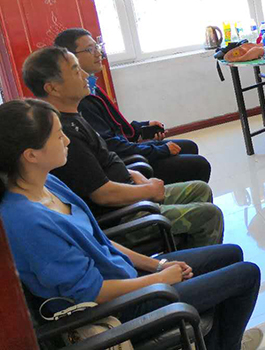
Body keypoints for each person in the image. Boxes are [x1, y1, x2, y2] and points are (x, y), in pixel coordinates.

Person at [0, 99, 263, 350]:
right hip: (117, 307)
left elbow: (99, 240)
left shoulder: (47, 183)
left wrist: (157, 265)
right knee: (247, 275)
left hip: (125, 276)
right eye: (59, 136)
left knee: (231, 254)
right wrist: (159, 280)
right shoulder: (26, 222)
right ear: (31, 155)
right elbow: (91, 292)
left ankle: (216, 342)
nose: (67, 140)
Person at [22, 46, 224, 248]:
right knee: (209, 215)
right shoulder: (66, 133)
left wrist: (132, 174)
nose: (84, 75)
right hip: (123, 215)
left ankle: (192, 253)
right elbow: (103, 194)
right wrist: (148, 191)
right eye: (76, 71)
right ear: (53, 88)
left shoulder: (75, 118)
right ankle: (199, 261)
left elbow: (101, 163)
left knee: (200, 189)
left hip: (129, 192)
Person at [54, 28, 211, 185]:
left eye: (97, 47)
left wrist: (140, 128)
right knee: (199, 164)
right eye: (90, 49)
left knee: (189, 146)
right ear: (70, 58)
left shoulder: (91, 86)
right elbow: (112, 146)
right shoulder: (81, 100)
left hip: (125, 151)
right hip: (124, 163)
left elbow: (114, 129)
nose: (98, 53)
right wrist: (159, 150)